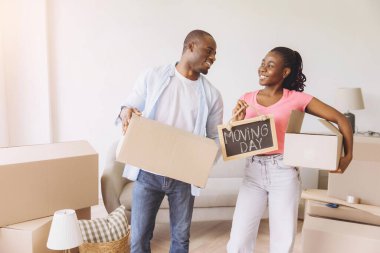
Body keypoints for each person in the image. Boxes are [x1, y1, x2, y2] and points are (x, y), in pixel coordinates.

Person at [226, 46, 353, 253]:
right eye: (262, 63)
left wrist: (348, 156)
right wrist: (238, 123)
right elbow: (238, 144)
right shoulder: (247, 98)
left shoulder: (297, 99)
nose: (262, 68)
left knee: (282, 243)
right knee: (238, 242)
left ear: (284, 72)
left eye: (270, 65)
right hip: (252, 172)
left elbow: (341, 120)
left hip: (283, 172)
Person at [118, 30, 223, 253]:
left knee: (181, 240)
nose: (213, 57)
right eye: (209, 51)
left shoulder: (212, 95)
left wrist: (200, 164)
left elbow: (215, 138)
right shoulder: (153, 76)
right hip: (148, 172)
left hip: (184, 177)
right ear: (191, 46)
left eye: (215, 54)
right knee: (138, 239)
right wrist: (126, 113)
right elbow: (127, 106)